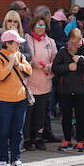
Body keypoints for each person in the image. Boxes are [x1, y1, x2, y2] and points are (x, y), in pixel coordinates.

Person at [0, 29, 32, 166]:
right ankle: (2, 159)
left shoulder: (19, 55)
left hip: (20, 99)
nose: (19, 46)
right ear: (7, 44)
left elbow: (29, 70)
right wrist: (10, 63)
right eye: (16, 43)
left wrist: (19, 64)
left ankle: (16, 158)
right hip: (4, 100)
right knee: (3, 130)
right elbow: (0, 75)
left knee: (17, 131)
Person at [53, 28, 84, 152]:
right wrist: (67, 67)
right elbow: (55, 69)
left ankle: (80, 141)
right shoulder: (62, 51)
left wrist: (81, 60)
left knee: (81, 117)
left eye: (76, 43)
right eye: (71, 43)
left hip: (82, 90)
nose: (73, 46)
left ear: (81, 41)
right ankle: (66, 140)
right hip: (64, 90)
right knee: (66, 117)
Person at [24, 14, 57, 150]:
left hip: (45, 82)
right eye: (38, 24)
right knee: (29, 113)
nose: (40, 27)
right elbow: (24, 56)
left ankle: (38, 138)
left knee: (41, 113)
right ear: (33, 25)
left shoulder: (50, 42)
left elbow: (55, 59)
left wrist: (50, 66)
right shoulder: (26, 39)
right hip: (30, 83)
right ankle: (27, 139)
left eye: (43, 25)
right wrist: (33, 63)